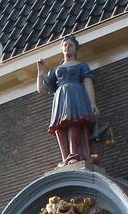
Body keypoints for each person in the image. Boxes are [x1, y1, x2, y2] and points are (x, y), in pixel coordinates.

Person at [36, 35, 98, 165]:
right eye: (65, 45)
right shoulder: (55, 70)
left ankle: (74, 154)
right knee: (59, 126)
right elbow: (41, 89)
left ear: (75, 49)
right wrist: (41, 72)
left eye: (70, 45)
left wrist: (92, 103)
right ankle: (66, 158)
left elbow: (88, 83)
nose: (67, 47)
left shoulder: (82, 66)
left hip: (76, 96)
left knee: (74, 121)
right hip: (60, 99)